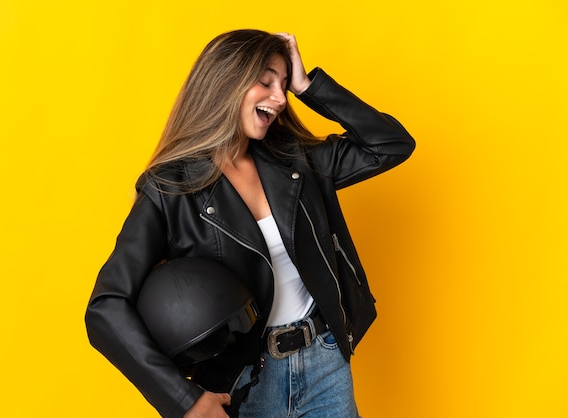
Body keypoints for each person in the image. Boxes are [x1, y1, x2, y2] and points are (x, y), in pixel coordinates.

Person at [85, 29, 415, 418]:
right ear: (227, 83)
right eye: (265, 82)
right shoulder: (170, 188)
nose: (279, 98)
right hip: (243, 382)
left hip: (325, 364)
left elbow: (390, 144)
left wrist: (308, 85)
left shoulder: (297, 161)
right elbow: (105, 307)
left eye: (284, 84)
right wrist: (182, 400)